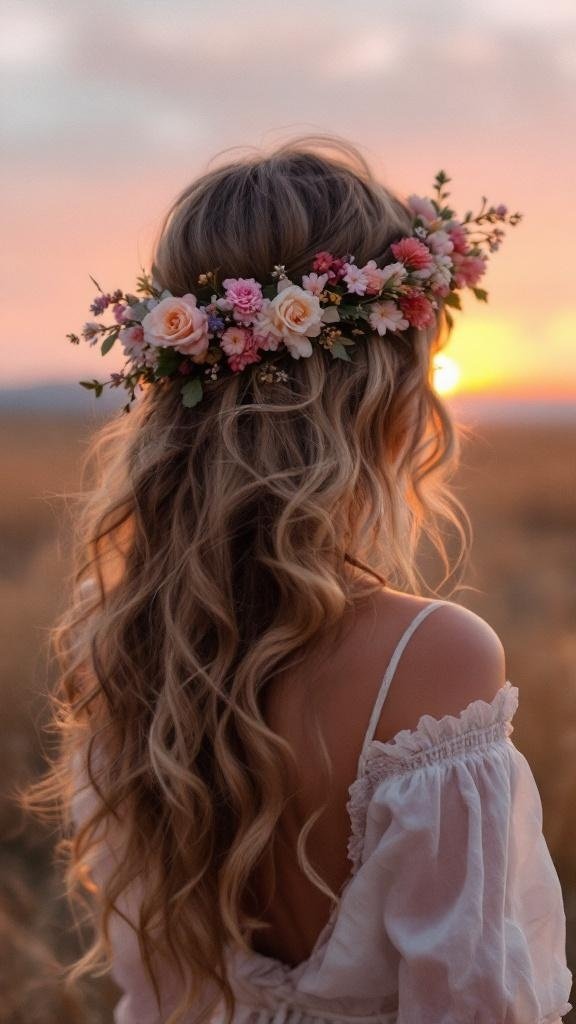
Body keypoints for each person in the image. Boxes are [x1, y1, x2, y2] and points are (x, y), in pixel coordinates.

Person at [28, 135, 572, 1023]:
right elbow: (473, 1005)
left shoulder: (127, 636)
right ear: (385, 388)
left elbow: (154, 990)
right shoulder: (432, 657)